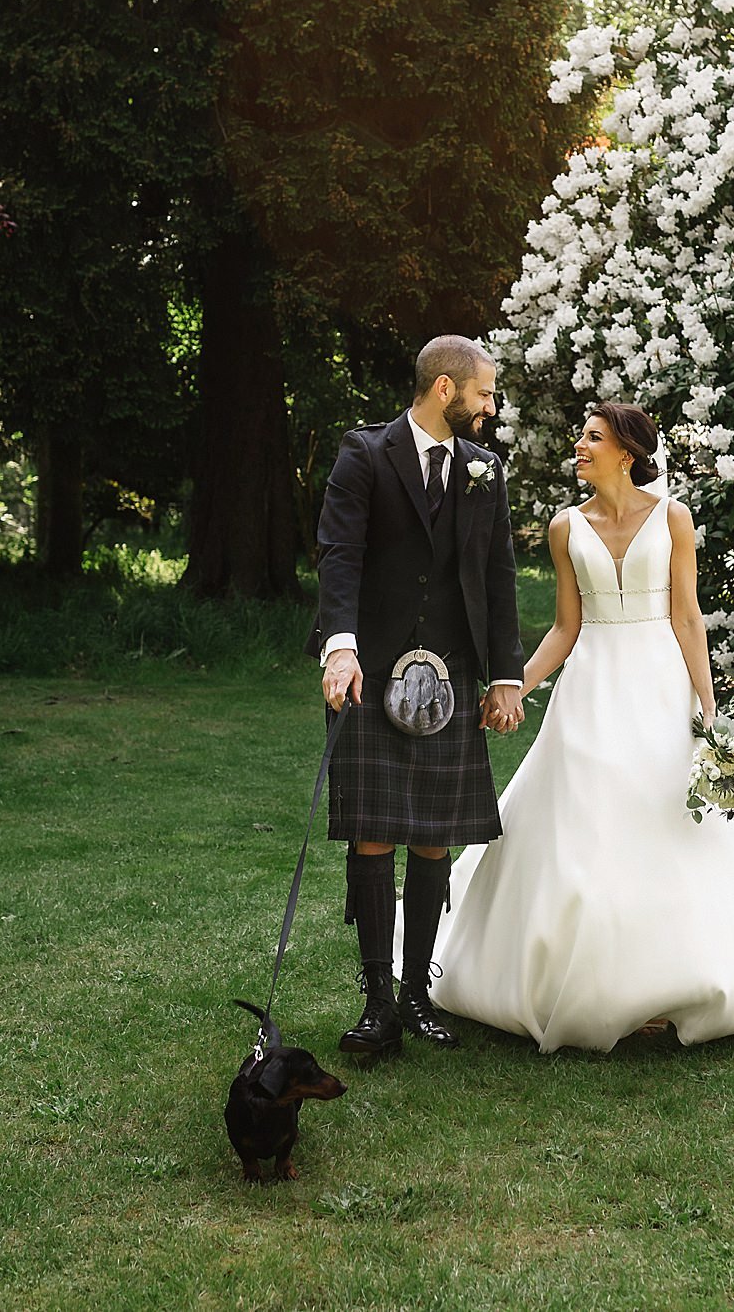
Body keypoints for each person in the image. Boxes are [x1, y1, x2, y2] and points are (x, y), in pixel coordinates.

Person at [430, 402, 734, 1052]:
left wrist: (710, 709)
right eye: (580, 435)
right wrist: (512, 685)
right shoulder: (564, 527)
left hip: (659, 685)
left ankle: (684, 978)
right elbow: (564, 627)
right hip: (589, 689)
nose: (577, 446)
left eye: (591, 437)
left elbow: (689, 618)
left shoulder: (673, 518)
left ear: (627, 453)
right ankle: (594, 982)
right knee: (591, 824)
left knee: (666, 824)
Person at [310, 335, 528, 1058]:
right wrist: (339, 647)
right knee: (374, 830)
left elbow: (497, 574)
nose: (490, 407)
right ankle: (377, 1003)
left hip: (453, 672)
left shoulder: (484, 472)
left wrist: (504, 675)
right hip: (372, 669)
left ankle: (417, 994)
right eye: (485, 393)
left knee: (434, 833)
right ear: (444, 389)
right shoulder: (366, 455)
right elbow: (339, 553)